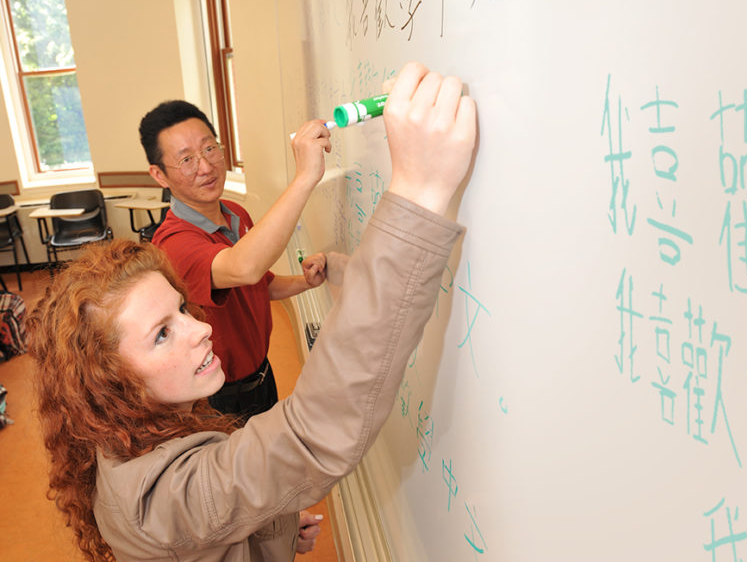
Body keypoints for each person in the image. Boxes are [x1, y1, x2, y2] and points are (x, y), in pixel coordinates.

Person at [28, 62, 476, 562]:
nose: (200, 329)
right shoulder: (162, 497)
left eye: (182, 310)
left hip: (254, 381)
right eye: (161, 334)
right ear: (108, 378)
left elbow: (228, 508)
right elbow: (307, 436)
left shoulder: (155, 427)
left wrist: (274, 530)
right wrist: (418, 191)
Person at [138, 94, 336, 419]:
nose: (205, 166)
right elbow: (244, 268)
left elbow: (259, 282)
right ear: (160, 175)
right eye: (186, 160)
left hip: (261, 377)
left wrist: (305, 281)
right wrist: (305, 176)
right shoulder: (174, 243)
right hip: (218, 401)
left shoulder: (236, 214)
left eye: (209, 148)